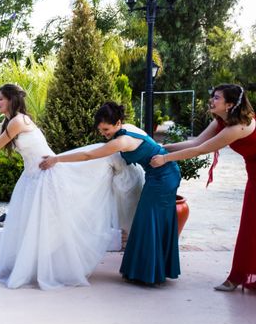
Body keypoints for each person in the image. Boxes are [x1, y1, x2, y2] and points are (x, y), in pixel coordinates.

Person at [0, 85, 143, 290]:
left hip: (45, 175)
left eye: (1, 98)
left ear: (10, 100)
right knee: (33, 225)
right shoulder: (11, 121)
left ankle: (53, 269)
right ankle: (34, 267)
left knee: (51, 226)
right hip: (32, 177)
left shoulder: (18, 120)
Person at [41, 102, 182, 286]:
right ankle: (148, 271)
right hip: (161, 174)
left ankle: (149, 274)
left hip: (163, 177)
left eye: (106, 129)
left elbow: (89, 155)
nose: (104, 134)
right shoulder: (127, 129)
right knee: (148, 221)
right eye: (101, 130)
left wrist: (57, 159)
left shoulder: (121, 141)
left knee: (148, 221)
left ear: (117, 123)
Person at [150, 84, 256, 292]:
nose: (212, 100)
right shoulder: (221, 120)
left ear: (230, 104)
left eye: (217, 98)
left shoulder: (238, 127)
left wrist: (164, 158)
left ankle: (236, 277)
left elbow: (200, 150)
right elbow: (196, 141)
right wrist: (161, 147)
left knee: (250, 225)